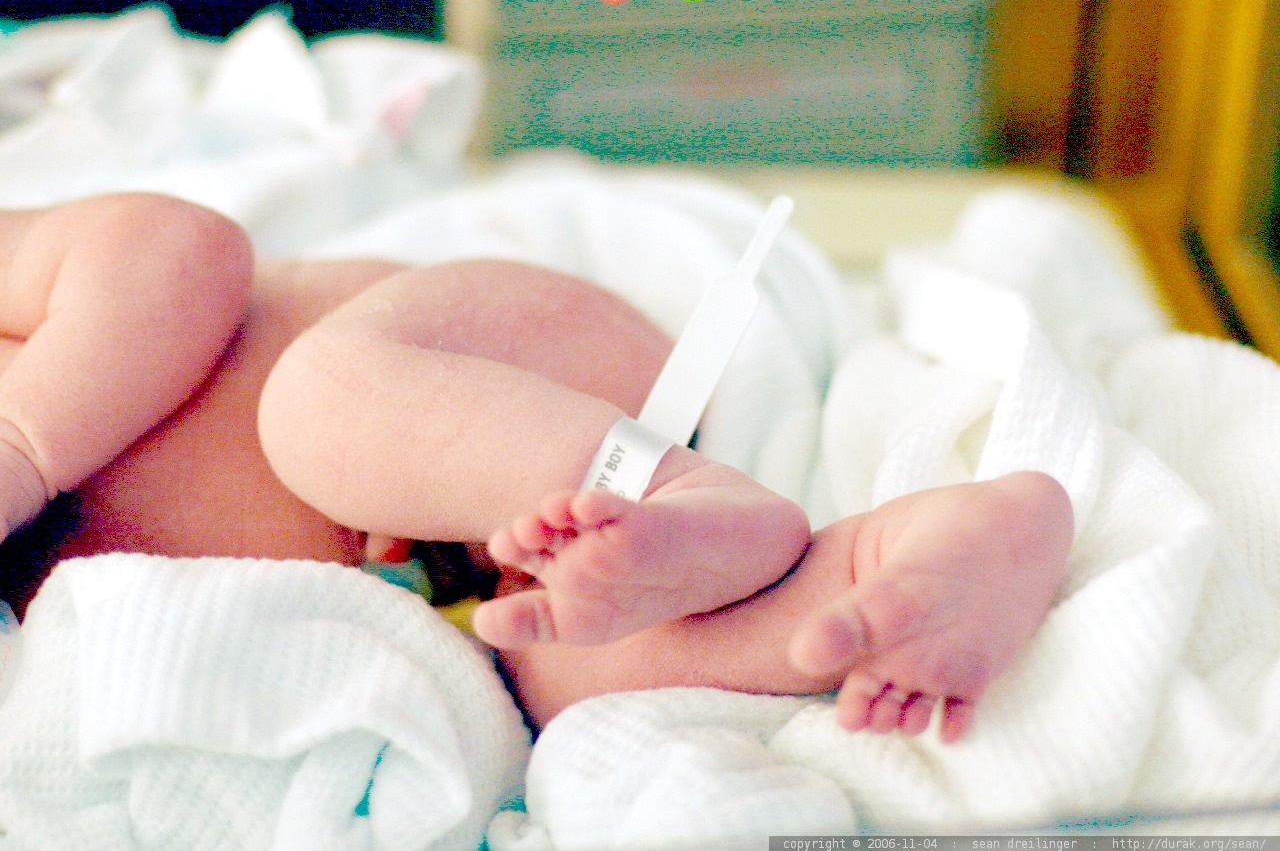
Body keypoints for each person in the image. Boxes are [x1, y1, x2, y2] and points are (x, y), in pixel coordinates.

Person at [0, 192, 1072, 745]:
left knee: (313, 408)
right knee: (557, 683)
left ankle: (680, 495)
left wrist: (24, 444)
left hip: (480, 378)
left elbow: (174, 250)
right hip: (475, 588)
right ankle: (893, 569)